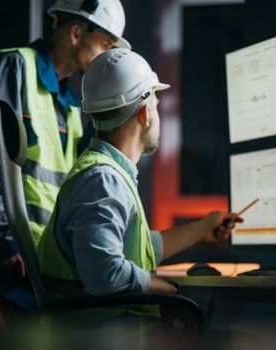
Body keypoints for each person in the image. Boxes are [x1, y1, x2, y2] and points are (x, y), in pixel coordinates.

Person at [0, 0, 130, 327]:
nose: (107, 55)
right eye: (105, 44)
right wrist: (4, 242)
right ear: (76, 32)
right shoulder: (13, 68)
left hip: (27, 262)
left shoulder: (71, 105)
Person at [37, 48, 243, 323]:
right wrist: (163, 289)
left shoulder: (107, 175)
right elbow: (104, 275)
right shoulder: (103, 181)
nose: (158, 114)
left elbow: (138, 248)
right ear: (145, 113)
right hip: (101, 334)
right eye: (156, 105)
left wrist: (201, 228)